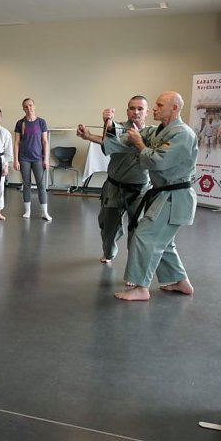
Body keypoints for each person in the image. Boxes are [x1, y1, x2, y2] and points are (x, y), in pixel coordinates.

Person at [103, 91, 197, 301]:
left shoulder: (183, 134)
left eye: (159, 105)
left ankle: (140, 287)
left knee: (144, 237)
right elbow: (125, 140)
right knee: (164, 241)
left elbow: (157, 161)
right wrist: (95, 136)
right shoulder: (159, 132)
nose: (154, 108)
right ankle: (179, 281)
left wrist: (138, 143)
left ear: (174, 108)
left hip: (175, 197)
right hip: (164, 195)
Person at [76, 96, 151, 263]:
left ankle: (134, 267)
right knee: (107, 227)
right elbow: (110, 138)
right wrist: (106, 122)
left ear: (147, 112)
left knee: (137, 229)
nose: (136, 111)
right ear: (127, 111)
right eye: (132, 108)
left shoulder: (152, 132)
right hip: (114, 186)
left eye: (140, 108)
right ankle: (109, 251)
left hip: (139, 189)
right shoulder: (120, 128)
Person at [13, 98, 52, 220]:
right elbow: (16, 143)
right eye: (26, 106)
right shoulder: (20, 123)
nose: (28, 108)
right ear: (23, 108)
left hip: (38, 158)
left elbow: (45, 142)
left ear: (34, 106)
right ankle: (27, 211)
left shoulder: (41, 122)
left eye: (30, 105)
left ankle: (44, 212)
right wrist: (15, 160)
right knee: (26, 184)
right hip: (24, 158)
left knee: (41, 184)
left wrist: (46, 159)